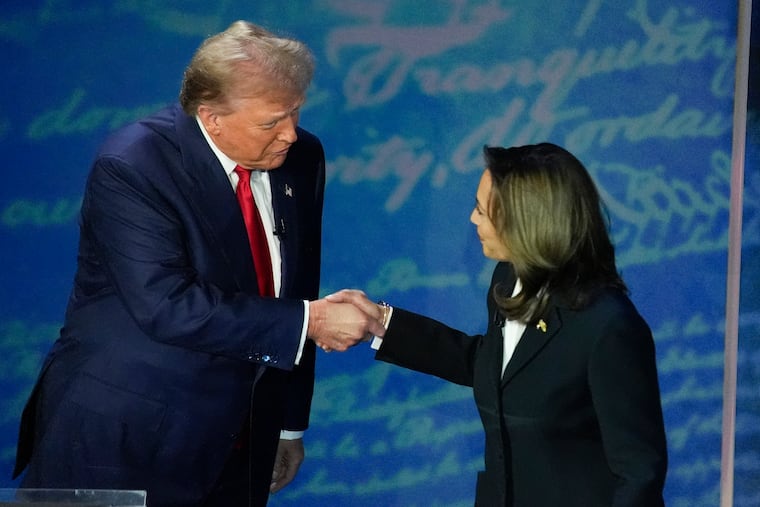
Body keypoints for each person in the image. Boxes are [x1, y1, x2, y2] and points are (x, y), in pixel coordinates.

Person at [12, 20, 384, 507]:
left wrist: (289, 422)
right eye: (271, 122)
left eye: (295, 112)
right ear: (211, 118)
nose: (291, 133)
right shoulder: (134, 164)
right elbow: (166, 304)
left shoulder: (302, 156)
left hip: (245, 434)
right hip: (128, 435)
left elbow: (297, 283)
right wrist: (312, 321)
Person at [331, 143, 668, 506]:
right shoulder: (507, 279)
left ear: (526, 223)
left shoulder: (608, 326)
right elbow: (497, 368)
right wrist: (382, 323)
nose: (473, 220)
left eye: (481, 210)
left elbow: (639, 473)